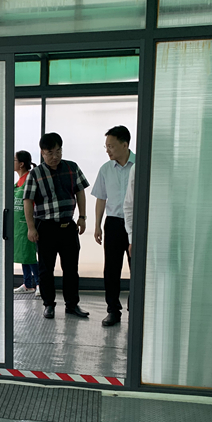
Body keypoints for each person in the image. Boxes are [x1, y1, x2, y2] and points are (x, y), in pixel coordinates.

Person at [23, 132, 90, 320]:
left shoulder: (72, 167)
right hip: (46, 228)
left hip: (68, 227)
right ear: (42, 153)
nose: (55, 156)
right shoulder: (35, 174)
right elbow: (28, 201)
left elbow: (80, 192)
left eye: (58, 151)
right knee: (46, 269)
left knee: (71, 268)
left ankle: (72, 304)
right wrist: (31, 227)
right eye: (50, 153)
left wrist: (82, 217)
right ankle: (48, 305)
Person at [91, 126, 136, 326]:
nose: (108, 150)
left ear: (125, 145)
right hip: (114, 223)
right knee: (111, 269)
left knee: (137, 268)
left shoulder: (141, 165)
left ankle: (136, 308)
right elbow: (101, 198)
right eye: (106, 146)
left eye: (111, 146)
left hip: (137, 223)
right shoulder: (105, 169)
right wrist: (97, 225)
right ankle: (113, 310)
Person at [13, 150, 40, 297]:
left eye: (14, 160)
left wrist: (31, 226)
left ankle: (39, 283)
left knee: (30, 254)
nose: (12, 162)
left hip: (28, 223)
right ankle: (27, 283)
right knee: (23, 253)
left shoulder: (29, 179)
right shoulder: (19, 181)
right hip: (18, 224)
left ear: (21, 164)